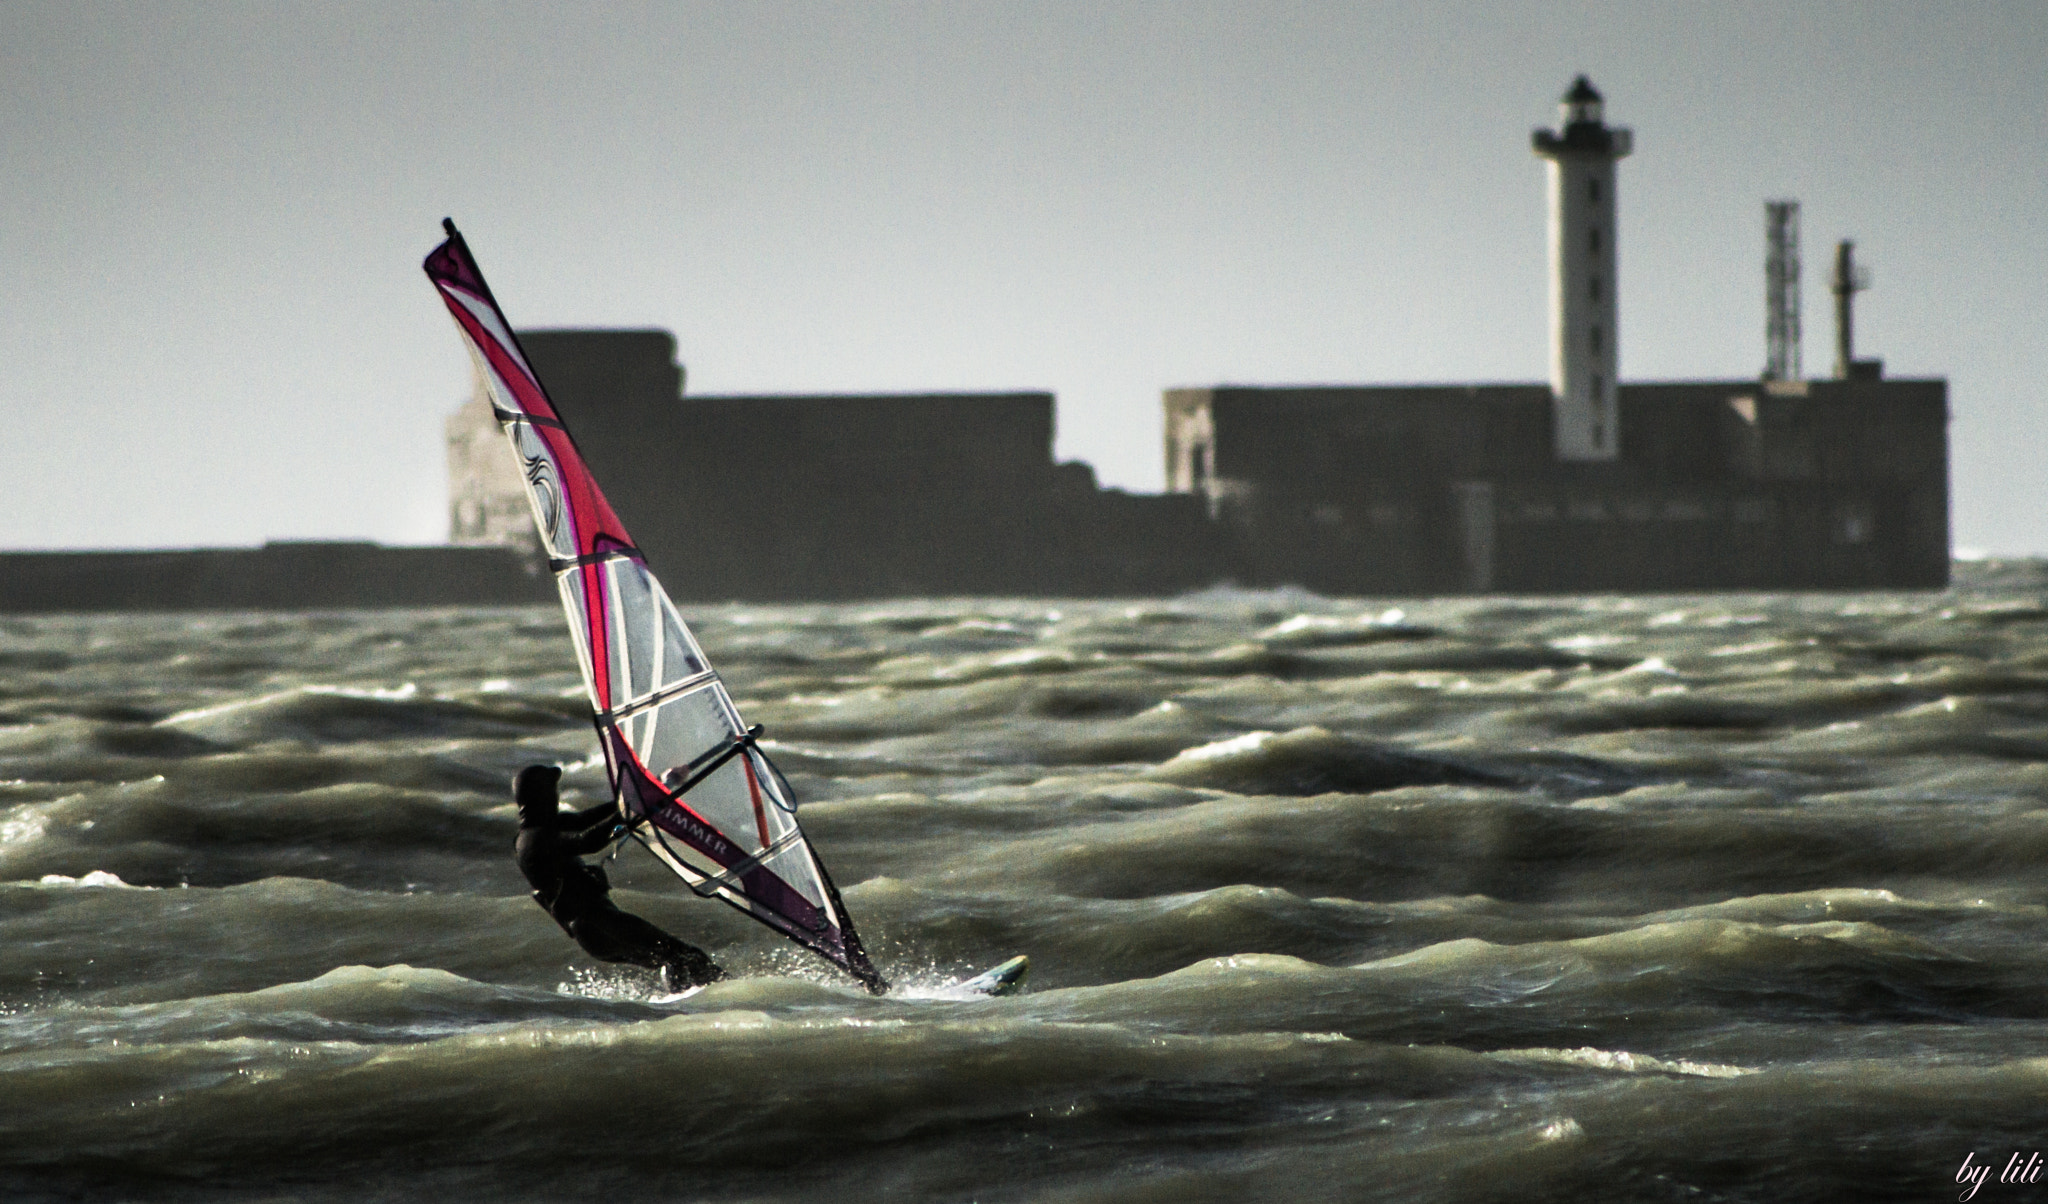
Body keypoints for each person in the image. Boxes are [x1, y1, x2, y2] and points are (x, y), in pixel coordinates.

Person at [513, 764, 724, 991]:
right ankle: (716, 998)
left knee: (672, 959)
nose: (556, 797)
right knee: (684, 957)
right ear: (543, 794)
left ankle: (683, 1003)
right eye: (553, 791)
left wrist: (655, 786)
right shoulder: (534, 840)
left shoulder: (545, 827)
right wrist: (640, 806)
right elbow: (588, 841)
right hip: (601, 924)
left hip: (595, 931)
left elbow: (596, 815)